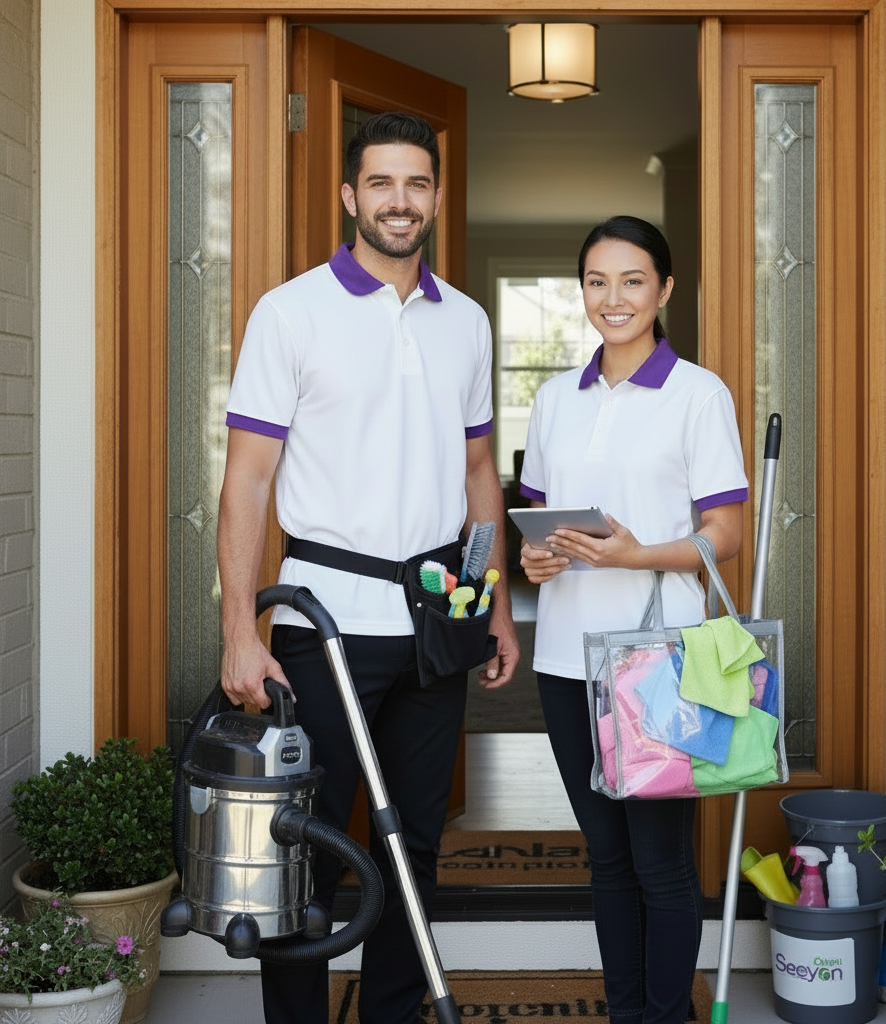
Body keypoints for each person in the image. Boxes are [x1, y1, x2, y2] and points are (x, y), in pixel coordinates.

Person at [217, 111, 519, 1024]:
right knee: (298, 848)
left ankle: (392, 1012)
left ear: (434, 197)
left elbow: (477, 473)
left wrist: (494, 605)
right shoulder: (292, 311)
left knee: (413, 845)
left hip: (435, 625)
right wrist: (242, 627)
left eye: (417, 184)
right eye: (381, 183)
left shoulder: (465, 321)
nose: (400, 201)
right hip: (321, 627)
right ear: (351, 195)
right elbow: (248, 478)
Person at [519, 216, 747, 1024]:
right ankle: (628, 1014)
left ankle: (664, 1017)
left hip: (662, 659)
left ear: (665, 290)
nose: (612, 299)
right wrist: (537, 561)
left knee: (660, 862)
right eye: (596, 281)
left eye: (632, 281)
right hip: (565, 662)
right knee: (606, 858)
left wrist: (636, 554)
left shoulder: (698, 393)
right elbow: (542, 523)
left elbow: (727, 535)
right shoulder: (554, 399)